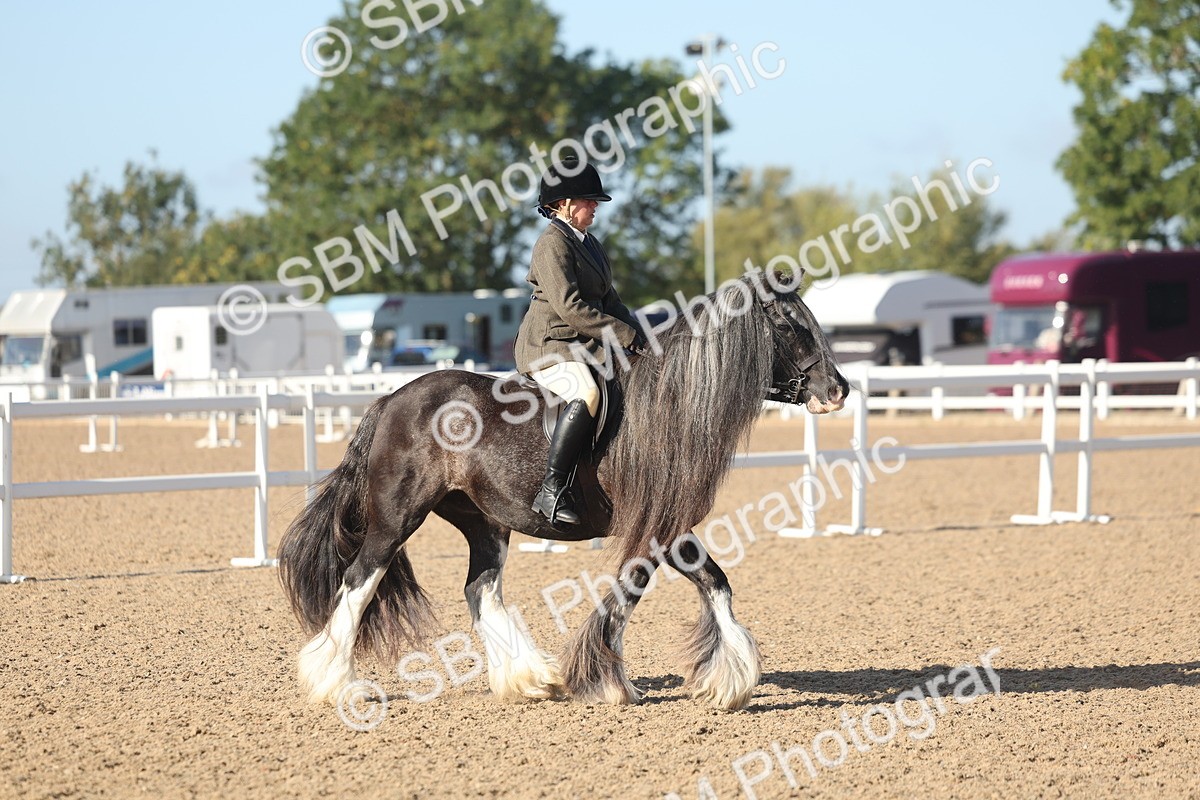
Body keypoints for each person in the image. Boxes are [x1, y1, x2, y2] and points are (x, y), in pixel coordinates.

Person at [514, 157, 648, 525]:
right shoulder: (552, 244)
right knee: (586, 392)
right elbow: (571, 308)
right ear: (564, 205)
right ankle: (551, 489)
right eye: (589, 201)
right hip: (550, 346)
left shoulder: (590, 244)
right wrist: (623, 335)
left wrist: (641, 335)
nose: (595, 207)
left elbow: (610, 300)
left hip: (583, 344)